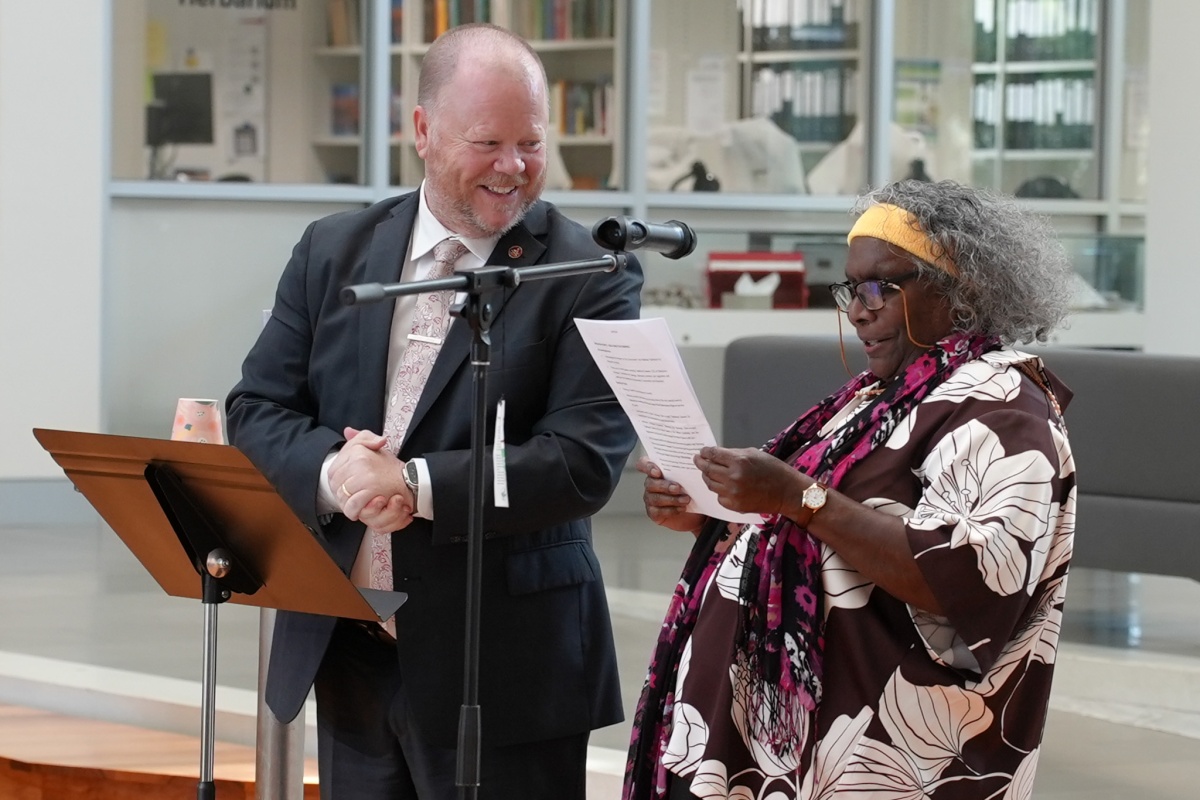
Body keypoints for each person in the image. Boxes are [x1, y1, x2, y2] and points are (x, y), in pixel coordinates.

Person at [226, 23, 642, 800]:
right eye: (487, 142)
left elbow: (581, 461)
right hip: (354, 649)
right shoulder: (333, 250)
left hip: (507, 667)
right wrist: (335, 472)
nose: (513, 168)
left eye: (531, 142)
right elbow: (255, 409)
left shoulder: (590, 271)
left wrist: (412, 484)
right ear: (421, 130)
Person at [625, 179, 1077, 800]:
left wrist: (797, 497)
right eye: (850, 290)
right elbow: (825, 538)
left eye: (879, 288)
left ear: (961, 289)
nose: (858, 310)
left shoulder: (1003, 407)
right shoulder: (880, 396)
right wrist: (710, 520)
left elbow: (965, 577)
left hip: (885, 759)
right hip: (777, 746)